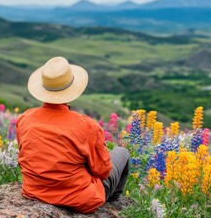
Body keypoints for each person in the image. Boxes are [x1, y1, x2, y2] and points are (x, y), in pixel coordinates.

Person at [16, 56, 129, 213]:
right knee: (122, 152)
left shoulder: (25, 118)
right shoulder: (87, 126)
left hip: (34, 191)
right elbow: (103, 171)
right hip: (80, 200)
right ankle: (113, 206)